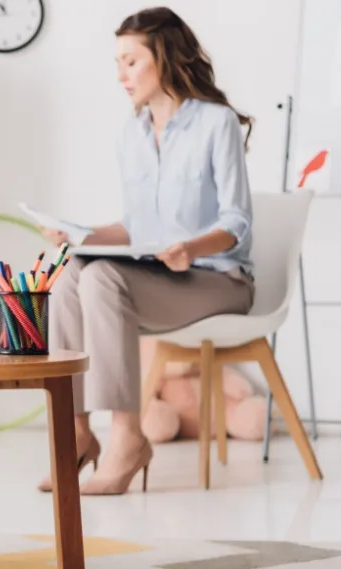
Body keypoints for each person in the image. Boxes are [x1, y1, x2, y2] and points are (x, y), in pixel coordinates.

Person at [37, 7, 256, 496]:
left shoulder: (216, 124)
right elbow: (136, 228)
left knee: (101, 278)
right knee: (75, 269)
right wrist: (82, 235)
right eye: (117, 62)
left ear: (165, 56)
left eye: (131, 61)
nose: (121, 75)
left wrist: (191, 247)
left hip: (219, 280)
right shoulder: (131, 135)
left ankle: (128, 438)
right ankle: (76, 431)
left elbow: (236, 222)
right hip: (163, 278)